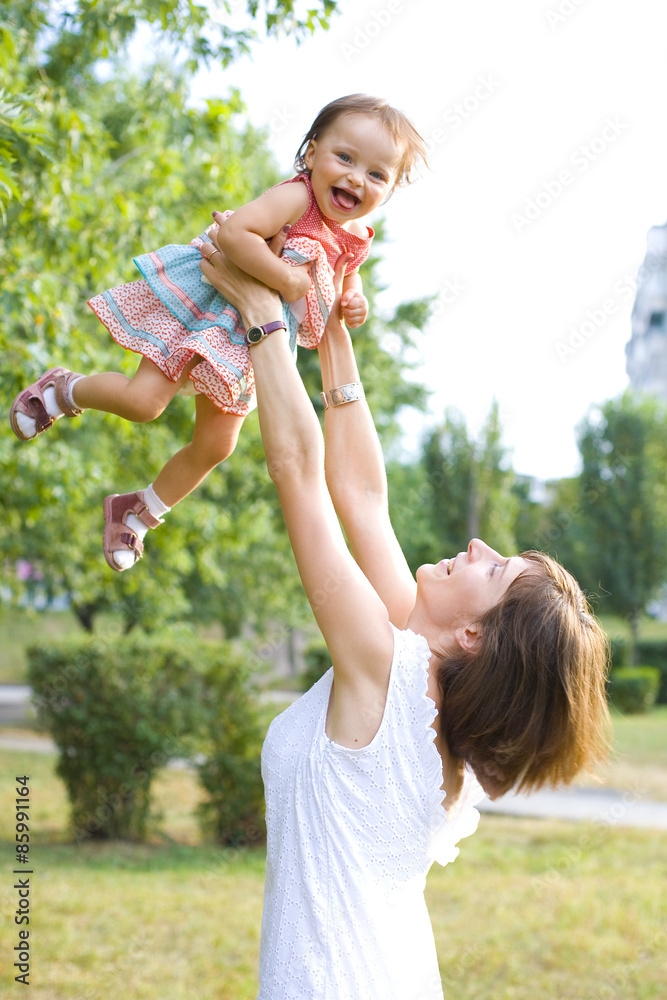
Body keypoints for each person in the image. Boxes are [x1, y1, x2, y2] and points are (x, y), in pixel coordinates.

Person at [199, 229, 611, 1000]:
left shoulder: (387, 674)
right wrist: (329, 331)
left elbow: (301, 475)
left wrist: (264, 321)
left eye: (493, 570)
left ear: (472, 635)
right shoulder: (422, 694)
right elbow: (361, 497)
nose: (478, 544)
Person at [9, 94, 426, 571]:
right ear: (311, 155)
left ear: (389, 190)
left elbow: (344, 280)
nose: (356, 177)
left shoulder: (354, 240)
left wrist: (355, 299)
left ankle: (139, 510)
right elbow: (236, 234)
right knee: (145, 402)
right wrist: (288, 279)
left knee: (218, 445)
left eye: (376, 174)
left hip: (252, 339)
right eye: (345, 158)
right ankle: (65, 389)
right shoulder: (298, 198)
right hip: (208, 307)